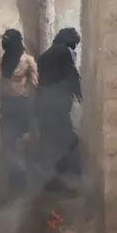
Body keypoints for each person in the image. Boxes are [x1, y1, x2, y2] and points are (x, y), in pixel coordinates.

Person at [35, 27, 83, 190]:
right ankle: (68, 181)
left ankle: (52, 181)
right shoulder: (65, 51)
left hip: (42, 103)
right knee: (68, 140)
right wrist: (80, 94)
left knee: (50, 142)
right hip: (57, 102)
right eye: (74, 45)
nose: (74, 48)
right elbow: (72, 74)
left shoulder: (43, 56)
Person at [0, 28, 38, 192]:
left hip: (21, 106)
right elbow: (2, 84)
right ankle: (15, 189)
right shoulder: (5, 60)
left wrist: (33, 111)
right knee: (8, 147)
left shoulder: (28, 61)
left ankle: (25, 188)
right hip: (7, 107)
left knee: (22, 145)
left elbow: (35, 86)